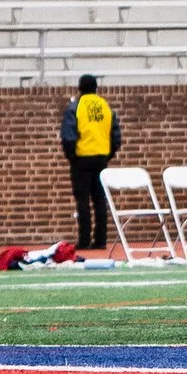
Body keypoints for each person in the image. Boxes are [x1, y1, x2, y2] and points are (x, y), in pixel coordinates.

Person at [59, 73, 117, 253]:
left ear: (80, 88)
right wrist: (107, 155)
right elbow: (115, 135)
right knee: (100, 199)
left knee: (82, 200)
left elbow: (68, 136)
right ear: (96, 88)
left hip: (82, 158)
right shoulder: (105, 106)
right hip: (101, 157)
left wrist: (72, 156)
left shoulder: (75, 107)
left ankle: (84, 240)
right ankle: (101, 240)